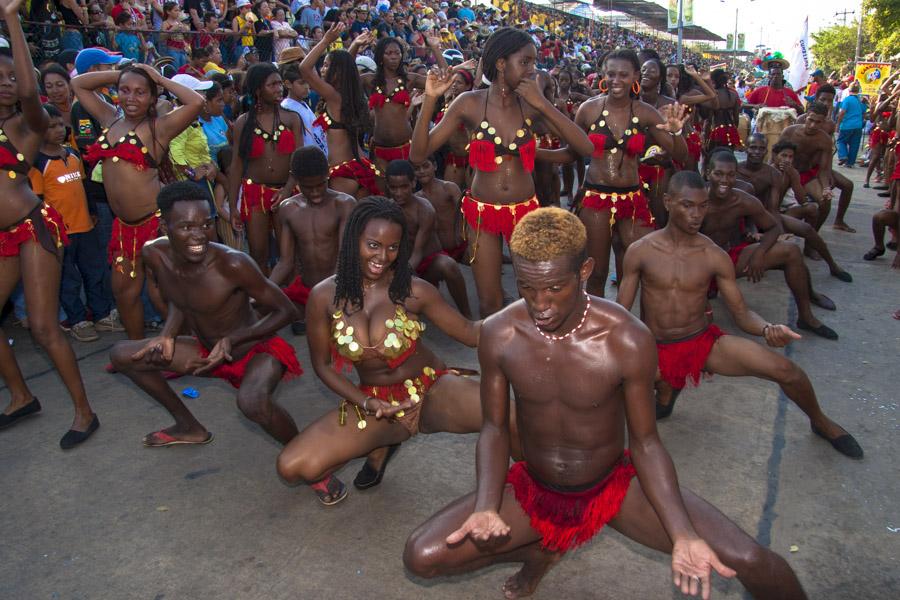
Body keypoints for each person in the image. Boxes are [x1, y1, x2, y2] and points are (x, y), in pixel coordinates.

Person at [403, 207, 808, 600]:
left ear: (584, 271)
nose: (539, 304)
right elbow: (493, 429)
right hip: (536, 487)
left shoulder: (626, 339)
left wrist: (683, 534)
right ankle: (540, 550)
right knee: (422, 556)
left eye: (554, 288)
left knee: (753, 561)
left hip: (612, 486)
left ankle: (550, 546)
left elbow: (646, 442)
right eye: (527, 288)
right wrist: (486, 506)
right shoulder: (500, 333)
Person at [617, 171, 862, 458]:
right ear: (668, 202)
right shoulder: (641, 251)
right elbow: (622, 313)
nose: (696, 214)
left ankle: (821, 421)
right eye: (687, 205)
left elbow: (742, 313)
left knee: (787, 371)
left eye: (702, 206)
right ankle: (667, 390)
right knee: (599, 393)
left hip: (700, 342)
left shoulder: (713, 255)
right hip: (654, 347)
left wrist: (767, 328)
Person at [275, 197, 489, 505]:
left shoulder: (414, 291)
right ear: (353, 241)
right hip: (377, 405)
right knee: (293, 466)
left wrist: (530, 311)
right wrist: (367, 401)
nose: (383, 257)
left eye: (393, 247)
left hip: (431, 390)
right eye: (373, 245)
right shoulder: (323, 297)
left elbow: (471, 333)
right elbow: (322, 366)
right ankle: (382, 442)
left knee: (512, 419)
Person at [411, 27, 593, 316]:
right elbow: (418, 154)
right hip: (481, 212)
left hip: (526, 211)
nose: (532, 69)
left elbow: (584, 148)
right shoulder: (469, 103)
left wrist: (542, 104)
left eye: (534, 62)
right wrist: (430, 100)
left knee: (533, 297)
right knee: (490, 303)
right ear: (500, 63)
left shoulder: (532, 106)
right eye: (525, 62)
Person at [109, 181, 303, 448]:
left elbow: (287, 310)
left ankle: (308, 461)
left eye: (205, 224)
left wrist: (233, 339)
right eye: (187, 227)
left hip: (253, 351)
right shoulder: (154, 254)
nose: (200, 235)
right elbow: (183, 297)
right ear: (165, 228)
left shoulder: (233, 263)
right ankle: (188, 426)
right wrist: (167, 334)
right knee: (121, 355)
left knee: (252, 403)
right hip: (205, 352)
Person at [0, 1, 98, 449]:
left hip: (32, 226)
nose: (6, 85)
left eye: (9, 78)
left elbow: (25, 87)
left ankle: (85, 412)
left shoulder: (25, 125)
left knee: (42, 326)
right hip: (4, 236)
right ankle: (21, 396)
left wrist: (12, 19)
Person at [538, 49, 688, 297]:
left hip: (632, 199)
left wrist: (675, 132)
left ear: (635, 76)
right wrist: (535, 152)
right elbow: (571, 153)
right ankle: (600, 324)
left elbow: (680, 155)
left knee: (633, 266)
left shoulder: (645, 112)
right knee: (596, 272)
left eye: (623, 74)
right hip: (596, 198)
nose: (616, 80)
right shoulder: (588, 109)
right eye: (610, 74)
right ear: (602, 75)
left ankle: (622, 322)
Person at [72, 63, 205, 340]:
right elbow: (79, 84)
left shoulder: (160, 128)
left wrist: (158, 78)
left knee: (166, 292)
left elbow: (196, 101)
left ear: (153, 97)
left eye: (140, 92)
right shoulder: (110, 118)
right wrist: (122, 73)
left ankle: (188, 345)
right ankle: (138, 351)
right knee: (124, 292)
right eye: (125, 90)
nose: (131, 97)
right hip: (124, 228)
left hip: (156, 225)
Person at [702, 150, 838, 340]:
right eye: (718, 174)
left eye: (731, 175)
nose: (725, 180)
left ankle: (806, 317)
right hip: (697, 266)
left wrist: (759, 254)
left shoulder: (742, 200)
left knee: (791, 252)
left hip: (727, 260)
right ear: (708, 173)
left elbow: (773, 227)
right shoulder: (697, 199)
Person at [29, 104, 119, 342]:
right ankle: (78, 320)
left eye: (61, 125)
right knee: (68, 280)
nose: (59, 130)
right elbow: (37, 202)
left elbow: (83, 185)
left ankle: (101, 315)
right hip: (60, 232)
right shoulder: (37, 163)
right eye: (51, 127)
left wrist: (91, 212)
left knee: (95, 271)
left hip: (86, 226)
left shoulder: (73, 154)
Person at [738, 134, 851, 282]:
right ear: (746, 149)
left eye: (761, 148)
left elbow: (775, 208)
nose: (757, 152)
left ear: (766, 151)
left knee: (807, 227)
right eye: (753, 148)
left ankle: (832, 264)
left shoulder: (773, 174)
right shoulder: (736, 169)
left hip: (767, 216)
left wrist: (777, 231)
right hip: (743, 217)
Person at [227, 62, 303, 272]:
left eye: (280, 83)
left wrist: (288, 189)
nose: (279, 89)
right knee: (258, 254)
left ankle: (291, 299)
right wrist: (233, 207)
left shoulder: (291, 118)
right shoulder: (244, 122)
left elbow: (298, 160)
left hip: (286, 193)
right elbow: (236, 166)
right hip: (255, 193)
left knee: (289, 254)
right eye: (272, 85)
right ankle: (264, 300)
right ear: (258, 90)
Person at [270, 146, 355, 334]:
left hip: (341, 287)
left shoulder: (344, 204)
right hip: (306, 289)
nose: (316, 193)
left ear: (328, 174)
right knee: (260, 312)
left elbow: (344, 256)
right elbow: (285, 262)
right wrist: (263, 291)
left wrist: (330, 296)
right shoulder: (288, 208)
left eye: (321, 185)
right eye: (308, 188)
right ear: (295, 179)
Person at [385, 160, 472, 318]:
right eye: (393, 188)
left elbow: (418, 251)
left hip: (427, 263)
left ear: (413, 183)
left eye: (403, 187)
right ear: (387, 186)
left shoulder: (424, 209)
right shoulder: (387, 210)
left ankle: (467, 316)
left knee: (449, 265)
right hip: (403, 264)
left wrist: (402, 276)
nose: (398, 193)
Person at [300, 23, 378, 199]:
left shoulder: (333, 96)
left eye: (327, 66)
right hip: (359, 167)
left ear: (338, 72)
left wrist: (326, 40)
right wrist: (355, 45)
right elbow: (346, 65)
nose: (322, 69)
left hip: (341, 173)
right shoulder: (348, 94)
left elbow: (304, 68)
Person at [362, 32, 447, 180]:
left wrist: (435, 48)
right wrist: (356, 45)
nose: (394, 56)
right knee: (383, 192)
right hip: (379, 150)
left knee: (405, 192)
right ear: (380, 57)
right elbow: (344, 77)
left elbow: (445, 78)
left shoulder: (409, 79)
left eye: (397, 53)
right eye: (388, 53)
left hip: (405, 148)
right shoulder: (370, 80)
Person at [777, 103, 835, 231]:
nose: (813, 125)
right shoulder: (789, 131)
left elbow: (824, 169)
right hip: (786, 172)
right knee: (775, 198)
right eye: (811, 120)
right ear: (805, 117)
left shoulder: (824, 140)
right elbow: (775, 155)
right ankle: (776, 228)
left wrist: (826, 188)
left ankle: (813, 235)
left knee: (825, 202)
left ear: (823, 122)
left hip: (806, 175)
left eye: (818, 122)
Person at [413, 155, 467, 262]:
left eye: (425, 166)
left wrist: (460, 233)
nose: (422, 171)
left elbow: (465, 214)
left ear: (435, 166)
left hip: (462, 245)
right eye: (416, 169)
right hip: (439, 251)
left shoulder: (449, 188)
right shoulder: (417, 198)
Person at [279, 57, 328, 158]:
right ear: (288, 84)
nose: (306, 86)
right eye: (301, 83)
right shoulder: (287, 107)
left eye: (307, 82)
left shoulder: (303, 103)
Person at [835, 82, 865, 168]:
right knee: (854, 144)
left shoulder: (847, 100)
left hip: (847, 125)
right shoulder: (860, 101)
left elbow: (842, 112)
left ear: (849, 90)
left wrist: (838, 124)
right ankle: (850, 162)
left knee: (841, 141)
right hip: (858, 126)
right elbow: (863, 113)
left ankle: (843, 155)